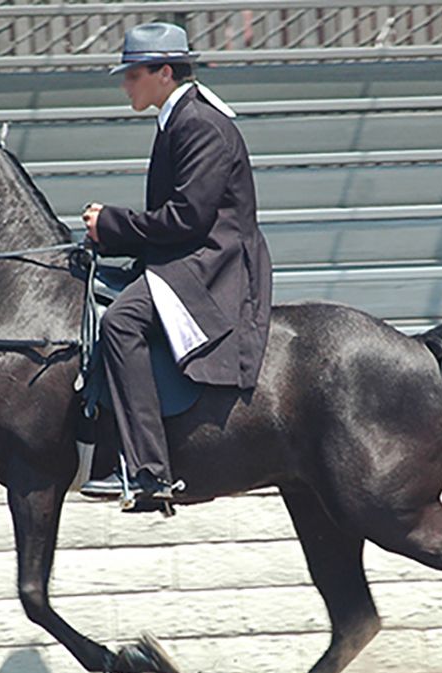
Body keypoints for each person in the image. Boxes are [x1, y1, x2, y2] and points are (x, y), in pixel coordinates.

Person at [80, 22, 272, 502]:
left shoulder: (199, 124)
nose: (126, 84)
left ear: (163, 72)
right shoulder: (177, 120)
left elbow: (187, 218)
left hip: (212, 266)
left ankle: (149, 470)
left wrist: (113, 224)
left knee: (121, 323)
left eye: (132, 74)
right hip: (188, 255)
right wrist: (104, 241)